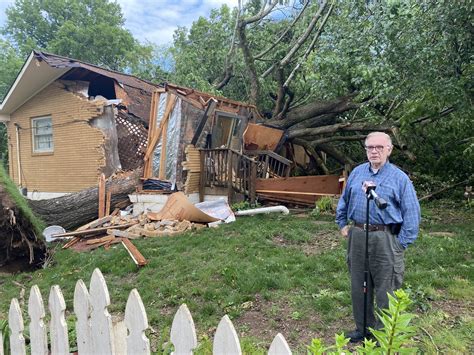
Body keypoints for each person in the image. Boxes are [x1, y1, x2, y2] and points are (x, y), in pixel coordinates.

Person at [335, 132, 421, 343]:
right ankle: (363, 329)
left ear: (389, 150)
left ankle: (384, 335)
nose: (374, 151)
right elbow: (344, 200)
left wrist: (400, 244)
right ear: (365, 150)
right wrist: (343, 224)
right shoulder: (357, 173)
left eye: (379, 147)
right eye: (370, 147)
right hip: (357, 236)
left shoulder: (399, 178)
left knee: (387, 288)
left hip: (385, 238)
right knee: (359, 285)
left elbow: (412, 213)